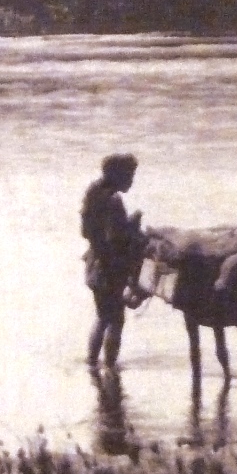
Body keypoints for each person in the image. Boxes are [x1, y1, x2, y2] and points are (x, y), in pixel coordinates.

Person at [81, 152, 144, 370]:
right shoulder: (114, 201)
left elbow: (87, 231)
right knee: (116, 320)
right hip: (110, 269)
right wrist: (133, 224)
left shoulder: (94, 192)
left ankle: (92, 363)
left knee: (102, 317)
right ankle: (110, 366)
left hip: (94, 265)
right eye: (129, 175)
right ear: (118, 176)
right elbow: (116, 238)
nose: (131, 180)